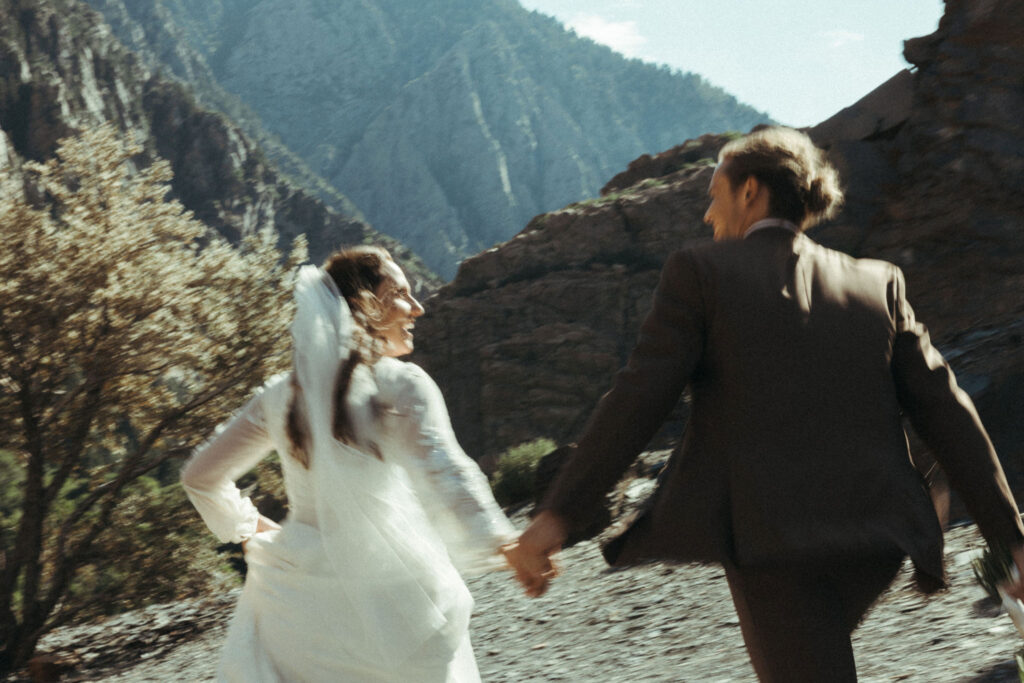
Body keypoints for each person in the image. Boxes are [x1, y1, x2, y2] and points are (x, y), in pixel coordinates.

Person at [506, 127, 1024, 681]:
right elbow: (945, 407)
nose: (709, 215)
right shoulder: (878, 282)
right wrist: (1011, 538)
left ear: (750, 191)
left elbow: (639, 398)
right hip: (877, 536)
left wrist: (554, 519)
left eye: (714, 195)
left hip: (772, 542)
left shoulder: (701, 272)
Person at [181, 246, 516, 682]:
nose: (417, 308)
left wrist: (247, 527)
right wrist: (499, 541)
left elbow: (199, 477)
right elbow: (445, 468)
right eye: (401, 293)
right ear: (364, 305)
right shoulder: (401, 384)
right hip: (398, 598)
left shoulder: (280, 397)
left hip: (301, 605)